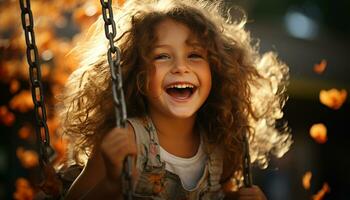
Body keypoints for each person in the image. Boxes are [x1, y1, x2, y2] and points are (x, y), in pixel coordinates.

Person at [57, 0, 292, 199]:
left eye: (194, 55)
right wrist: (111, 185)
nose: (180, 67)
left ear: (216, 70)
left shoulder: (217, 147)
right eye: (162, 56)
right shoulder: (128, 138)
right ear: (136, 73)